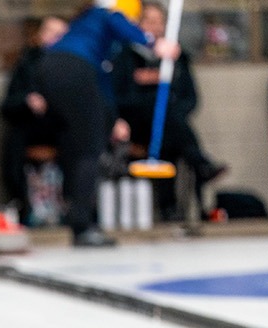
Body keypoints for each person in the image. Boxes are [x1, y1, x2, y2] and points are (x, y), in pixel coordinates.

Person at [32, 0, 178, 247]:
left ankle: (76, 213)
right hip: (73, 71)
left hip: (49, 70)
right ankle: (82, 225)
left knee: (74, 142)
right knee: (90, 148)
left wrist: (112, 120)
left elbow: (101, 84)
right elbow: (117, 22)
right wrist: (153, 43)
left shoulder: (89, 33)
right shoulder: (107, 14)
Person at [112, 1, 228, 221]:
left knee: (170, 129)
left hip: (171, 127)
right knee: (163, 112)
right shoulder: (125, 57)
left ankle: (173, 209)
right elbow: (119, 99)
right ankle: (201, 164)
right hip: (136, 127)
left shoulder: (176, 59)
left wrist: (172, 112)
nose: (154, 26)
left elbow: (190, 98)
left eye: (159, 21)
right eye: (149, 21)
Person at [0, 16, 68, 223]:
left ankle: (68, 208)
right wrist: (27, 100)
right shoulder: (26, 64)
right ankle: (22, 205)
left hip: (60, 128)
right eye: (51, 33)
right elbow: (7, 106)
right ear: (40, 36)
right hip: (29, 126)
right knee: (14, 144)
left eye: (60, 35)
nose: (54, 39)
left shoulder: (72, 66)